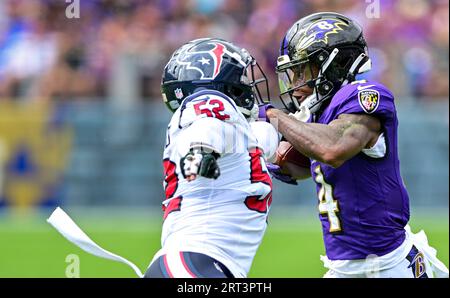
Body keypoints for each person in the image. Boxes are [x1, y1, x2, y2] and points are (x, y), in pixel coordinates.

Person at [259, 12, 449, 278]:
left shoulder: (363, 96)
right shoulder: (319, 112)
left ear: (333, 64)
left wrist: (274, 116)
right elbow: (308, 166)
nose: (295, 84)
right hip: (347, 267)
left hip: (387, 266)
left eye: (302, 71)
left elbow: (332, 150)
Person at [145, 38, 274, 278]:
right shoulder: (211, 106)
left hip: (197, 263)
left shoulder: (239, 131)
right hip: (195, 262)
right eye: (241, 77)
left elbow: (260, 138)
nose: (247, 84)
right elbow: (209, 127)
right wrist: (200, 151)